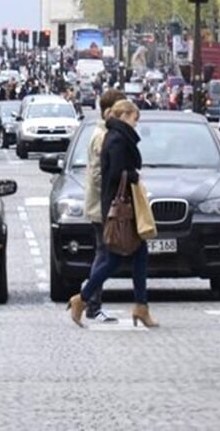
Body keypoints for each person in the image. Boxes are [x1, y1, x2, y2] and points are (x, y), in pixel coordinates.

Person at [68, 99, 157, 328]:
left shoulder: (116, 136)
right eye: (135, 119)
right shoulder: (117, 139)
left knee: (138, 255)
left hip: (122, 206)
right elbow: (117, 173)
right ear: (124, 116)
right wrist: (134, 176)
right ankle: (83, 298)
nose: (136, 124)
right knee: (114, 258)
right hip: (123, 208)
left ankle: (141, 306)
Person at [81, 88, 126, 324]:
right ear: (109, 111)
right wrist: (111, 200)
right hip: (102, 204)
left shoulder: (104, 133)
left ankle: (90, 298)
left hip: (101, 203)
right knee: (105, 254)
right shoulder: (102, 136)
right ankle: (91, 301)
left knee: (105, 253)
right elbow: (99, 174)